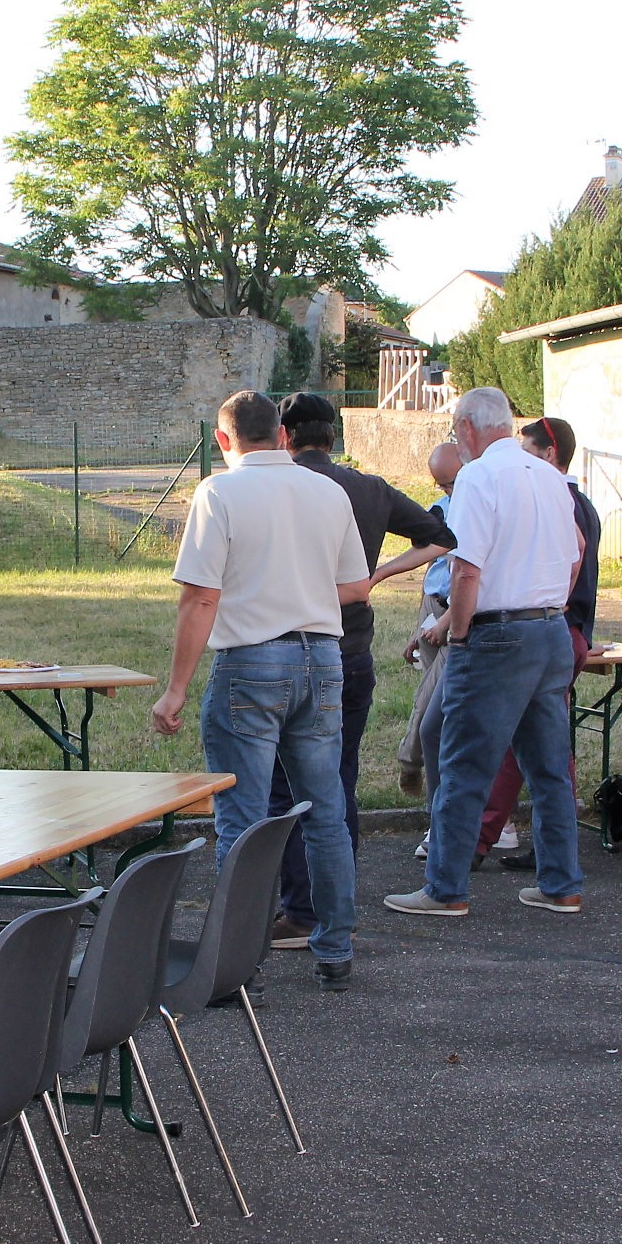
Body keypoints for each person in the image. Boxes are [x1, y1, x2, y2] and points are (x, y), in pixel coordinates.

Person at [151, 391, 372, 990]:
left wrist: (175, 690)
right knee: (325, 810)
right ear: (281, 434)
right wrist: (301, 587)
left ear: (223, 440)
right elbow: (356, 586)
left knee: (244, 818)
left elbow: (201, 597)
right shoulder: (328, 491)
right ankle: (335, 948)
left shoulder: (219, 492)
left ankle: (237, 962)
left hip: (250, 662)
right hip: (323, 659)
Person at [385, 386, 585, 920]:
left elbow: (466, 568)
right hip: (550, 629)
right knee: (549, 769)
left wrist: (458, 635)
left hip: (497, 634)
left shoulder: (477, 477)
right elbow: (576, 552)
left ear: (469, 428)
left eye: (456, 431)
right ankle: (561, 882)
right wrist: (552, 604)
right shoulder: (549, 475)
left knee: (462, 764)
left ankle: (445, 888)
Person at [264, 393, 453, 948]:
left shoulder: (274, 486)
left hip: (284, 644)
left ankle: (301, 910)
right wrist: (377, 575)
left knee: (285, 785)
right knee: (338, 777)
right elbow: (441, 537)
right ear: (334, 436)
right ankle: (336, 903)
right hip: (350, 650)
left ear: (284, 435)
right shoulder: (368, 488)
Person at [464, 417, 601, 867]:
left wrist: (552, 605)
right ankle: (552, 858)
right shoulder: (572, 499)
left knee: (516, 749)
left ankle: (478, 840)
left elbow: (575, 554)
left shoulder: (555, 495)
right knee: (547, 754)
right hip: (561, 630)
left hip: (548, 627)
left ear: (549, 454)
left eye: (527, 450)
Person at [395, 439, 463, 801]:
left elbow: (471, 576)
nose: (446, 491)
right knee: (433, 694)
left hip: (456, 614)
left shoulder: (478, 506)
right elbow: (429, 563)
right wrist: (419, 627)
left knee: (430, 700)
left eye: (450, 483)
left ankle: (410, 760)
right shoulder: (440, 509)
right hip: (434, 607)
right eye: (441, 485)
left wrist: (445, 623)